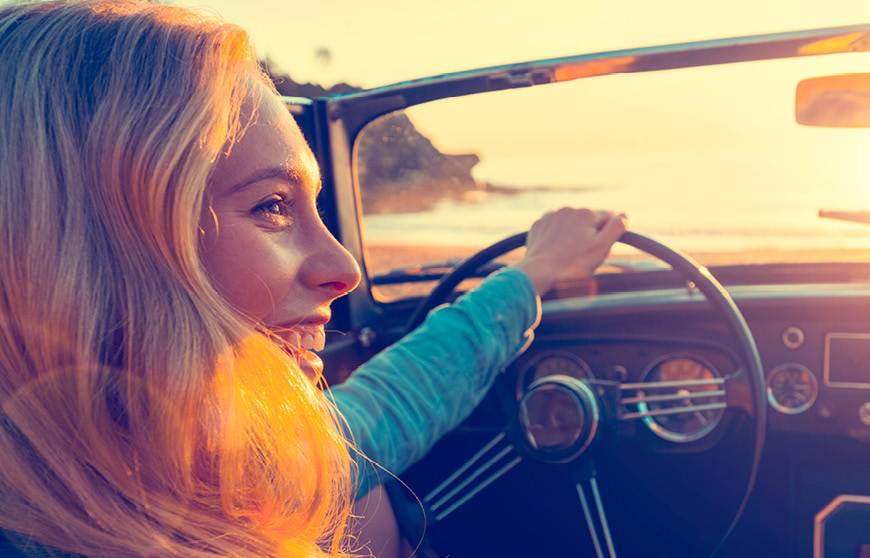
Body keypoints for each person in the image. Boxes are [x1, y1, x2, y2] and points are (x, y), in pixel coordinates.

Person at [0, 1, 628, 557]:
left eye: (315, 208)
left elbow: (390, 403)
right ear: (86, 244)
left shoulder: (229, 463)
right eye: (273, 205)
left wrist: (533, 273)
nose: (344, 270)